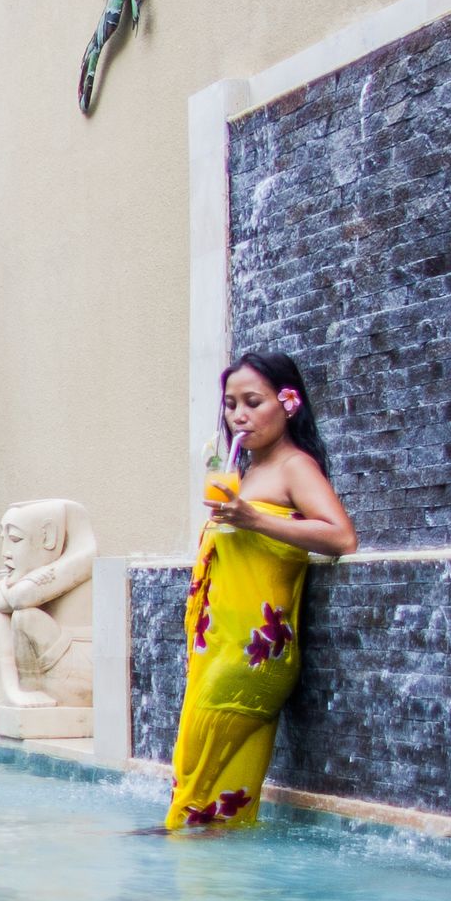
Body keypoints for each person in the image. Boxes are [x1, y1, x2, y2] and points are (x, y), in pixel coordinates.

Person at [165, 351, 357, 831]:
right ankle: (216, 887)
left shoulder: (295, 467)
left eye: (253, 402)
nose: (238, 415)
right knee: (198, 776)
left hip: (253, 653)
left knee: (200, 780)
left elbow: (341, 537)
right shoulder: (243, 473)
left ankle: (186, 865)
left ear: (288, 404)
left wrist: (253, 520)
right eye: (231, 404)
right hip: (219, 649)